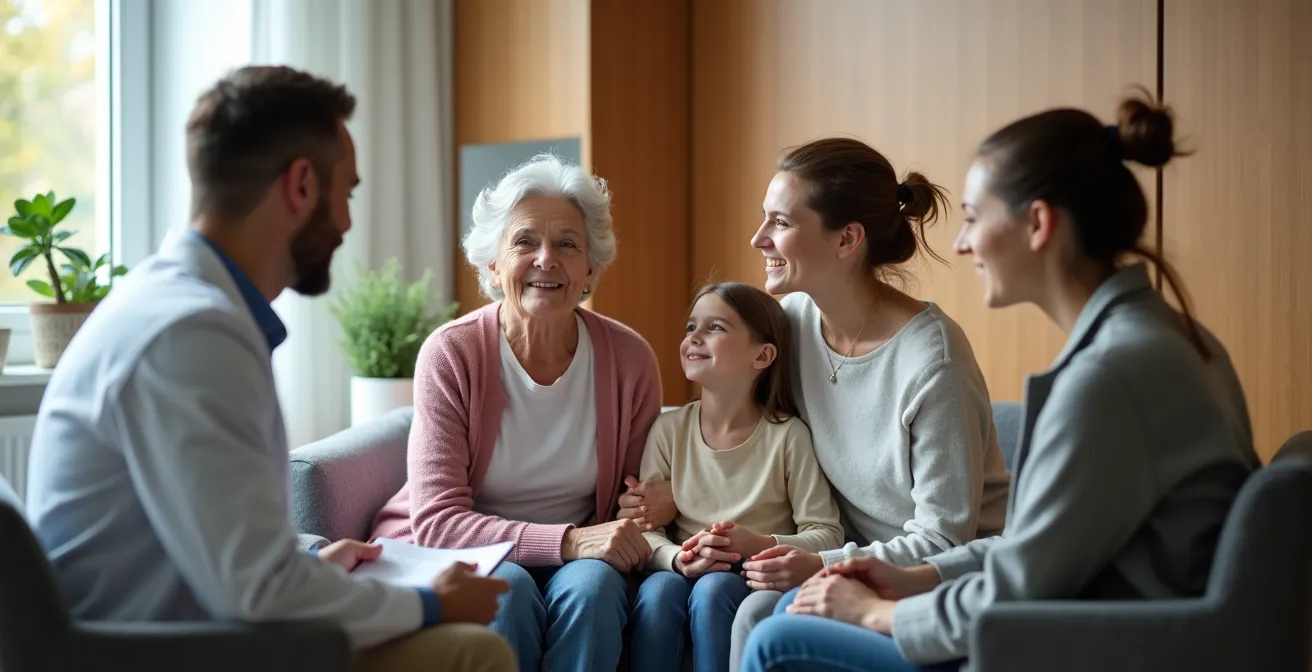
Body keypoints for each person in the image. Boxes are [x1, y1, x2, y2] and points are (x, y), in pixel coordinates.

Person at [740, 93, 1262, 672]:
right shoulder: (1169, 339)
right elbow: (1033, 557)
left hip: (1097, 642)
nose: (962, 244)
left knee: (778, 638)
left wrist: (876, 613)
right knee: (780, 612)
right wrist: (916, 576)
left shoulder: (1109, 377)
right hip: (1095, 621)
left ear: (1037, 224)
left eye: (972, 217)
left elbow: (1022, 587)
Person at [24, 65, 514, 672]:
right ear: (301, 185)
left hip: (188, 625)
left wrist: (305, 566)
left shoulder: (171, 305)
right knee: (472, 651)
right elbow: (257, 593)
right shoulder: (191, 334)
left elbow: (221, 547)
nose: (347, 224)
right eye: (348, 193)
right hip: (161, 654)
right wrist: (427, 603)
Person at [707, 137, 1011, 667]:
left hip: (936, 579)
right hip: (846, 556)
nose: (758, 238)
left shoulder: (932, 361)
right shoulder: (795, 321)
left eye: (780, 223)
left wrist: (821, 562)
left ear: (847, 238)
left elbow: (943, 539)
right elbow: (752, 431)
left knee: (764, 620)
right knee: (737, 604)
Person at [370, 153, 664, 671]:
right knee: (506, 587)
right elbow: (437, 521)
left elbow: (632, 499)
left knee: (596, 587)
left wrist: (654, 503)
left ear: (590, 267)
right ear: (493, 263)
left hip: (580, 558)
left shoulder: (630, 359)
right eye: (525, 241)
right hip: (466, 554)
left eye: (567, 244)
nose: (546, 259)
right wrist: (568, 541)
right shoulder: (453, 353)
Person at [628, 282, 843, 672]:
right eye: (692, 326)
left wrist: (757, 544)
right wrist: (680, 559)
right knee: (657, 593)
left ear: (762, 356)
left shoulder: (787, 436)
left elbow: (827, 533)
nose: (693, 337)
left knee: (714, 589)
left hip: (746, 577)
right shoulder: (667, 430)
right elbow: (644, 529)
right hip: (680, 569)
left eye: (715, 327)